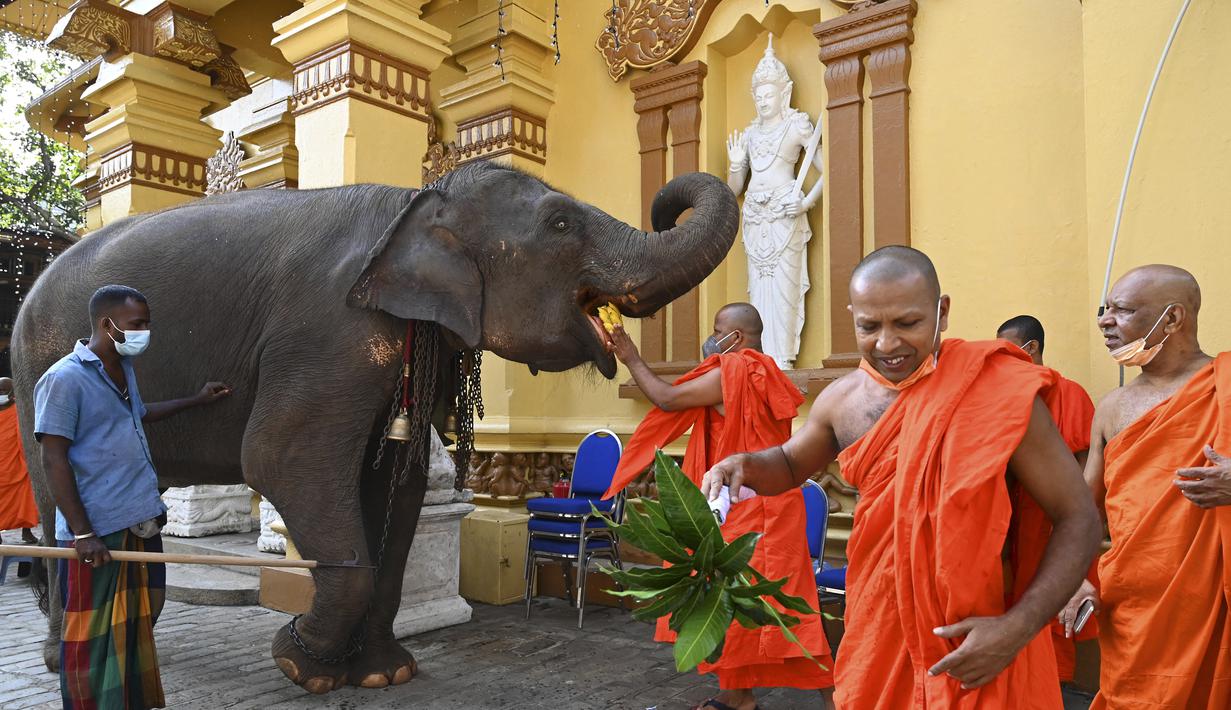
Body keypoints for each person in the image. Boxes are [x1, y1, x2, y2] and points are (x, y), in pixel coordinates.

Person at [703, 247, 1102, 709]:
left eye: (907, 324)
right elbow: (791, 464)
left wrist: (1017, 628)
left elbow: (1078, 517)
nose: (887, 344)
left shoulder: (998, 390)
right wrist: (745, 465)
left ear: (942, 312)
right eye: (869, 326)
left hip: (978, 640)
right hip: (879, 630)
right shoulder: (843, 400)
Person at [604, 303, 834, 710]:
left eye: (716, 331)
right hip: (773, 506)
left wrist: (630, 355)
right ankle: (737, 698)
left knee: (778, 611)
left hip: (747, 510)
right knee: (738, 606)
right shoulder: (767, 373)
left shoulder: (736, 374)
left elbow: (667, 398)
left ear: (737, 337)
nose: (710, 339)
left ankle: (841, 697)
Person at [35, 285, 231, 710]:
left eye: (147, 323)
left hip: (140, 520)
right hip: (98, 533)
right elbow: (53, 458)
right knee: (92, 638)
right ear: (108, 324)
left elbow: (138, 413)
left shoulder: (122, 370)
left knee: (136, 626)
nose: (145, 332)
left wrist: (196, 401)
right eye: (137, 324)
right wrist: (84, 533)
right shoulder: (64, 378)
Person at [1059, 265, 1231, 709]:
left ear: (1172, 319)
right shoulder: (1113, 408)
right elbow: (1082, 513)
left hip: (1212, 605)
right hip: (1133, 607)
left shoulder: (1226, 388)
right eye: (1105, 310)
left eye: (1122, 310)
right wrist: (1076, 579)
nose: (1104, 321)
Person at [996, 315, 1099, 688]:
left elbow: (1086, 472)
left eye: (1011, 352)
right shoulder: (1007, 399)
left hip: (1053, 524)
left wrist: (1071, 527)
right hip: (1012, 526)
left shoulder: (1067, 394)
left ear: (1032, 348)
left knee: (1053, 613)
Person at [0, 376, 39, 543]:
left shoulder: (18, 410)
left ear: (12, 394)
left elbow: (24, 437)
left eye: (3, 391)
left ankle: (26, 530)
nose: (0, 394)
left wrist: (27, 460)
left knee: (25, 497)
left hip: (17, 464)